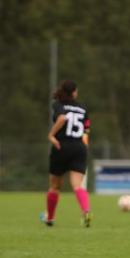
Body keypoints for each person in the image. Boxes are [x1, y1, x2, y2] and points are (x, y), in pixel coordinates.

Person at [41, 79, 91, 227]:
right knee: (77, 185)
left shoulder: (58, 104)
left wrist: (51, 135)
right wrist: (82, 146)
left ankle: (49, 218)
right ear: (74, 92)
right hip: (79, 148)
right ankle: (86, 211)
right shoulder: (83, 108)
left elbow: (62, 117)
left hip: (61, 147)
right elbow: (86, 131)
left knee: (55, 186)